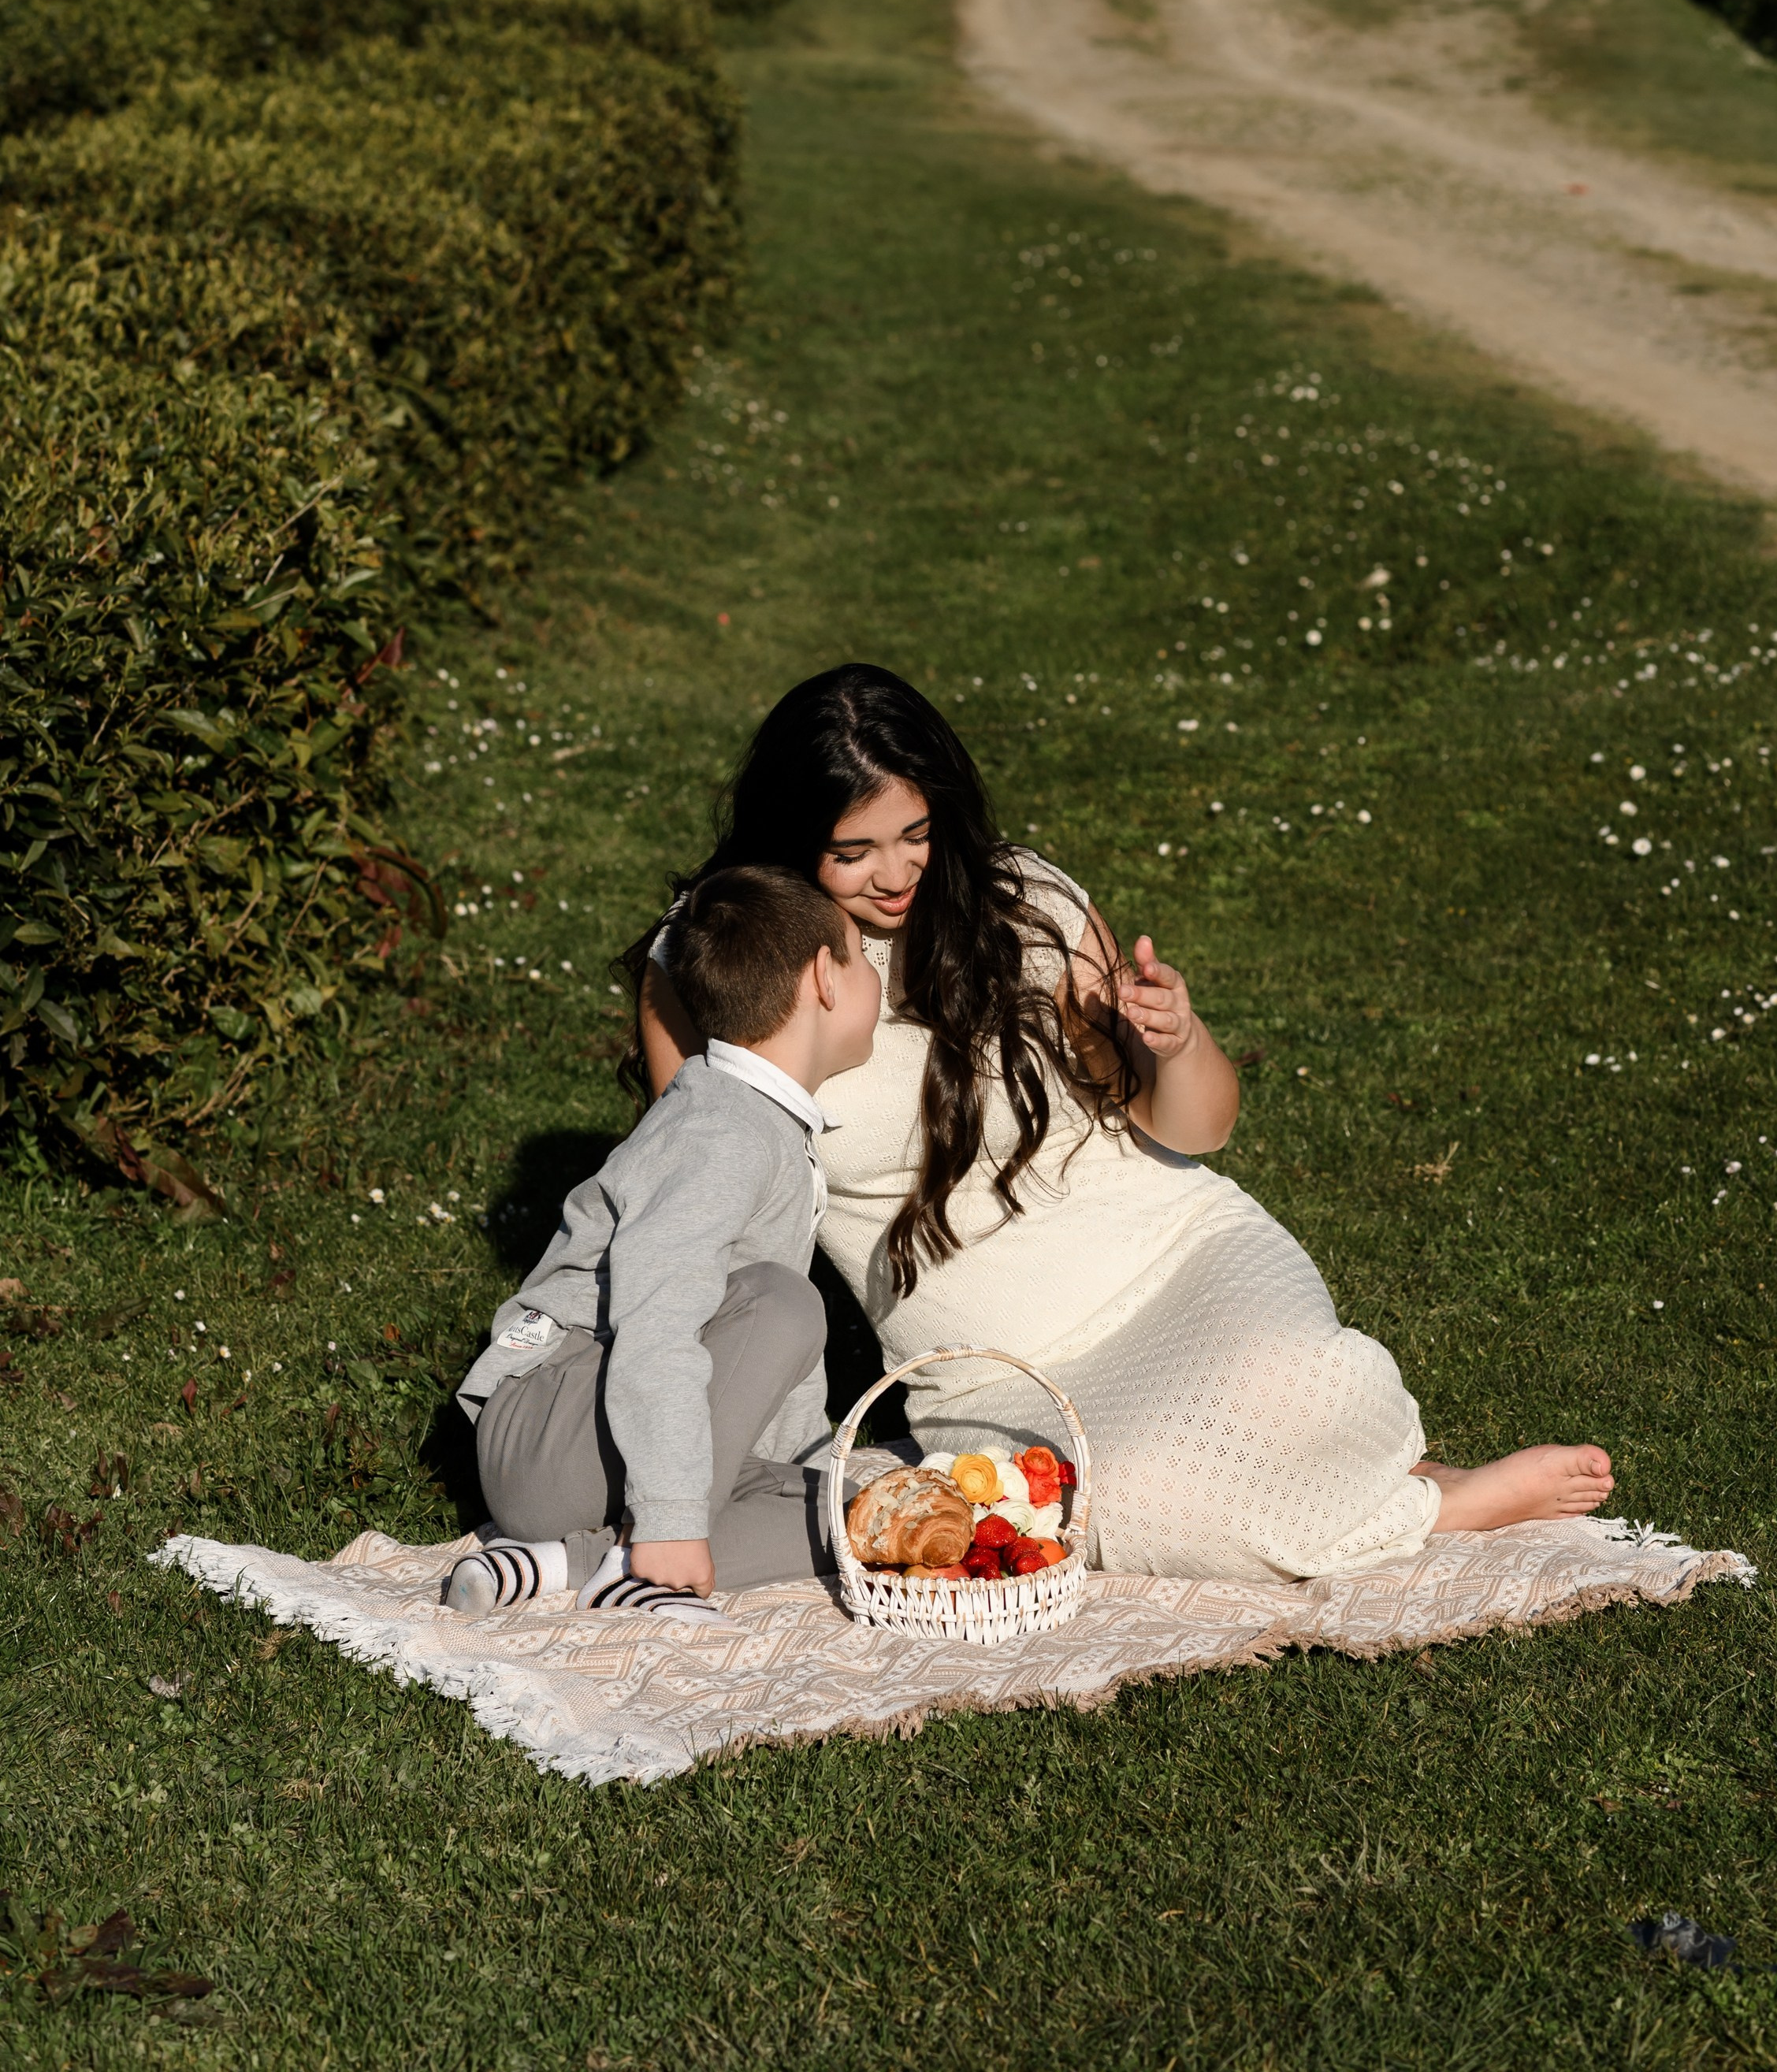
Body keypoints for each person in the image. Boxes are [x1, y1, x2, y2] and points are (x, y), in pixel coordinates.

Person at [635, 665, 1614, 1585]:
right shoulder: (718, 966)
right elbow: (710, 1190)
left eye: (917, 834)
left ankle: (1375, 1486)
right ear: (787, 836)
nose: (896, 876)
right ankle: (1441, 1504)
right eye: (851, 852)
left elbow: (1192, 1131)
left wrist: (1178, 1043)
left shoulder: (1020, 903)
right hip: (1001, 1357)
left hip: (1171, 1246)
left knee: (1298, 1379)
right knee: (1147, 1500)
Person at [448, 865, 882, 1619]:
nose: (878, 979)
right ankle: (653, 1550)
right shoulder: (721, 1131)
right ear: (825, 978)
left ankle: (569, 1563)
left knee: (856, 1521)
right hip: (549, 1433)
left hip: (601, 1457)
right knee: (785, 1301)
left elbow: (748, 1366)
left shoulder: (757, 1120)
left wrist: (801, 1473)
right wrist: (676, 1516)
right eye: (865, 959)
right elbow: (657, 1319)